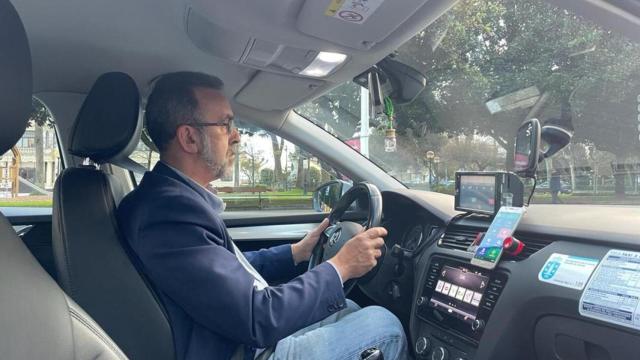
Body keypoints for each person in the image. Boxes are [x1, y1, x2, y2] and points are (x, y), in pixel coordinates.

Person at [117, 72, 408, 360]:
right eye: (226, 124)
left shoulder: (168, 199)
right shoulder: (168, 215)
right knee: (385, 327)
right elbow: (258, 317)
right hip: (240, 349)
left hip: (232, 336)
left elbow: (223, 273)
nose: (237, 136)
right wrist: (341, 266)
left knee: (348, 309)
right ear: (189, 138)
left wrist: (296, 252)